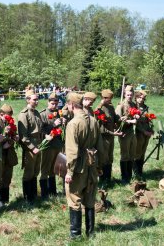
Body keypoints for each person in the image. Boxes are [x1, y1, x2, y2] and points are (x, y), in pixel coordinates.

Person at [64, 92, 104, 239]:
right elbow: (101, 147)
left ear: (71, 105)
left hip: (79, 166)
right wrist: (99, 166)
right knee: (89, 198)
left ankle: (75, 235)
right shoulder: (93, 121)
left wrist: (69, 172)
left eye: (67, 104)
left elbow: (72, 152)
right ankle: (91, 233)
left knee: (74, 198)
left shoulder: (73, 124)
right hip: (92, 164)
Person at [18, 90, 43, 203]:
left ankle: (34, 194)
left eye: (37, 99)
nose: (37, 101)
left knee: (36, 170)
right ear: (28, 100)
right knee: (29, 172)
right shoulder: (24, 114)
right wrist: (32, 147)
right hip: (30, 146)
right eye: (34, 99)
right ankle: (28, 197)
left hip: (39, 143)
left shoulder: (37, 113)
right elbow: (23, 135)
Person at [39, 93, 65, 199]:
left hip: (57, 144)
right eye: (52, 103)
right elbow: (41, 130)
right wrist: (53, 125)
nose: (54, 105)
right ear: (48, 102)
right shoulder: (43, 114)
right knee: (45, 168)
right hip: (48, 145)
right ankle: (44, 193)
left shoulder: (59, 113)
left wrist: (63, 122)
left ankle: (53, 192)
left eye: (56, 103)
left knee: (53, 168)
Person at [96, 89, 123, 184]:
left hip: (111, 136)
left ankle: (108, 178)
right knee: (104, 158)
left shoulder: (110, 107)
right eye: (108, 98)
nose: (110, 100)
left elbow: (115, 118)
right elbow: (100, 126)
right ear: (103, 98)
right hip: (104, 137)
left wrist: (122, 118)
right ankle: (102, 180)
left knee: (110, 158)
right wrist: (100, 104)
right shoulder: (100, 108)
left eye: (111, 98)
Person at [115, 85, 138, 184]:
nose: (129, 96)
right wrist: (130, 121)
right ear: (124, 94)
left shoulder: (133, 104)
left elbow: (136, 113)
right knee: (125, 155)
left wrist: (136, 116)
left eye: (131, 94)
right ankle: (124, 177)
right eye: (128, 94)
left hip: (131, 132)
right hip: (124, 132)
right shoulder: (121, 105)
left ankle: (129, 175)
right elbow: (118, 119)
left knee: (132, 154)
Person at [0, 104, 19, 205]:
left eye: (10, 115)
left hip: (9, 153)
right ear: (1, 114)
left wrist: (14, 138)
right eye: (7, 115)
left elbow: (14, 134)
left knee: (7, 176)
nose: (9, 117)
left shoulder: (10, 123)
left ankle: (5, 199)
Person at [134, 90, 154, 179]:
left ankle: (140, 172)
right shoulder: (134, 107)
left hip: (146, 132)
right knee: (137, 152)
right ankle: (135, 173)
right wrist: (143, 131)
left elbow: (148, 119)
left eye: (143, 98)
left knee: (143, 152)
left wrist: (150, 130)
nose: (141, 99)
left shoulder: (145, 107)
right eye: (139, 97)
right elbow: (136, 123)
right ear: (136, 97)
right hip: (138, 132)